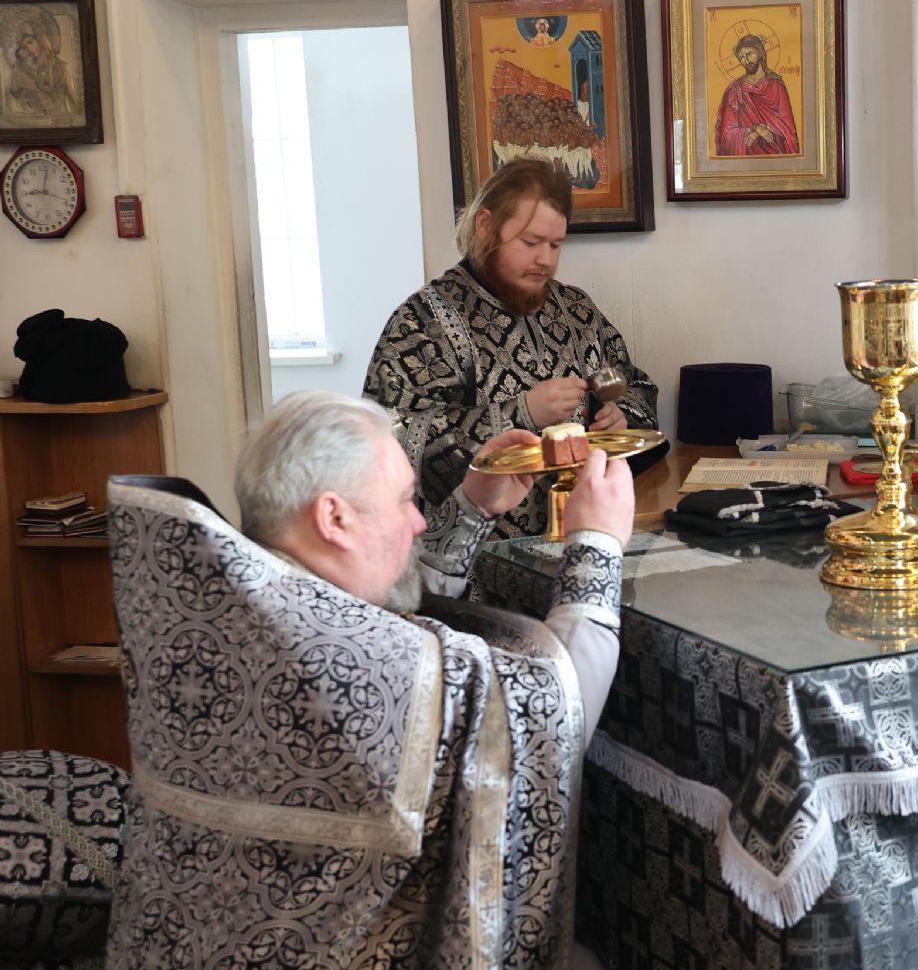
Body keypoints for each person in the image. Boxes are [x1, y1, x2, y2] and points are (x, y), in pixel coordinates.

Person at [105, 390, 633, 969]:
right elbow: (550, 719)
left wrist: (472, 508)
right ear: (334, 517)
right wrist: (598, 545)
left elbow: (394, 608)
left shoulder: (219, 616)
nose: (419, 520)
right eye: (405, 499)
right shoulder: (347, 665)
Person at [365, 157, 658, 539]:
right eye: (530, 242)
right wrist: (520, 413)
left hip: (581, 538)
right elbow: (391, 442)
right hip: (471, 556)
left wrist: (620, 419)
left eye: (556, 244)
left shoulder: (576, 309)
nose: (545, 259)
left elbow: (636, 386)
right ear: (485, 225)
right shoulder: (423, 321)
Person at [713, 34, 800, 156]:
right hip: (745, 158)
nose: (746, 60)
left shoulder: (777, 86)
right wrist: (754, 128)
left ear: (760, 53)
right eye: (742, 57)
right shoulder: (734, 91)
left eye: (749, 54)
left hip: (775, 157)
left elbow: (788, 131)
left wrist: (763, 129)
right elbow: (726, 136)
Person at [7, 16, 77, 118]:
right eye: (23, 46)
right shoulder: (19, 67)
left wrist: (47, 98)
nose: (28, 48)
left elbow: (65, 97)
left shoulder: (56, 64)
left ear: (40, 40)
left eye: (30, 42)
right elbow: (14, 96)